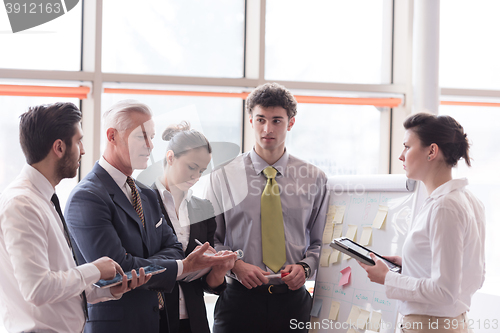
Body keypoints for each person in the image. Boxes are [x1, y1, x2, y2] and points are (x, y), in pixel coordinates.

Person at [64, 100, 237, 333]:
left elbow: (173, 247)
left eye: (152, 137)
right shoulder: (87, 196)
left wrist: (144, 261)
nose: (150, 145)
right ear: (112, 136)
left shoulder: (144, 193)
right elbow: (117, 269)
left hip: (154, 323)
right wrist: (181, 266)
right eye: (141, 137)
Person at [0, 102, 150, 333]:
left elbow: (60, 279)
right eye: (78, 141)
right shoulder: (22, 204)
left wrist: (109, 289)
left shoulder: (43, 199)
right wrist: (96, 269)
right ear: (59, 147)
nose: (83, 150)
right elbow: (38, 289)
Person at [204, 83, 330, 333]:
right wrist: (236, 265)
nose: (267, 129)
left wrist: (305, 267)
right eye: (260, 119)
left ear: (290, 123)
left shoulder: (314, 178)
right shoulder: (223, 176)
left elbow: (321, 242)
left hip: (293, 303)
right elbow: (210, 241)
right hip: (238, 301)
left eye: (276, 121)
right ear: (250, 120)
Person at [358, 113, 485, 333]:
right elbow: (473, 275)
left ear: (432, 151)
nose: (401, 156)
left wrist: (388, 278)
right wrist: (409, 264)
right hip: (449, 323)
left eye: (407, 147)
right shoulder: (468, 200)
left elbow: (444, 291)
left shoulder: (444, 207)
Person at [153, 121, 236, 333]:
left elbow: (209, 285)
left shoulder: (203, 208)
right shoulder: (143, 202)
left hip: (194, 320)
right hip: (155, 317)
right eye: (191, 167)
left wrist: (219, 269)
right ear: (170, 157)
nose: (196, 177)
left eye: (201, 170)